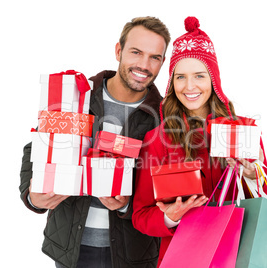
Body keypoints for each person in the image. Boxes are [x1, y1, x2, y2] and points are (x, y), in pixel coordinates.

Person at [19, 16, 171, 268]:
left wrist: (127, 206)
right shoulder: (77, 95)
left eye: (155, 57)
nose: (144, 64)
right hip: (71, 248)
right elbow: (35, 147)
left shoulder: (166, 114)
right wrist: (32, 197)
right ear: (118, 50)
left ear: (162, 62)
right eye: (136, 52)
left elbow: (167, 189)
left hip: (134, 254)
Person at [132, 16, 267, 266]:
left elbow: (265, 198)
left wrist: (253, 174)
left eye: (199, 76)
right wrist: (169, 218)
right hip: (182, 257)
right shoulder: (157, 139)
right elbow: (141, 216)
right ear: (172, 83)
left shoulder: (244, 130)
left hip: (238, 255)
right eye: (180, 77)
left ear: (213, 80)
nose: (189, 86)